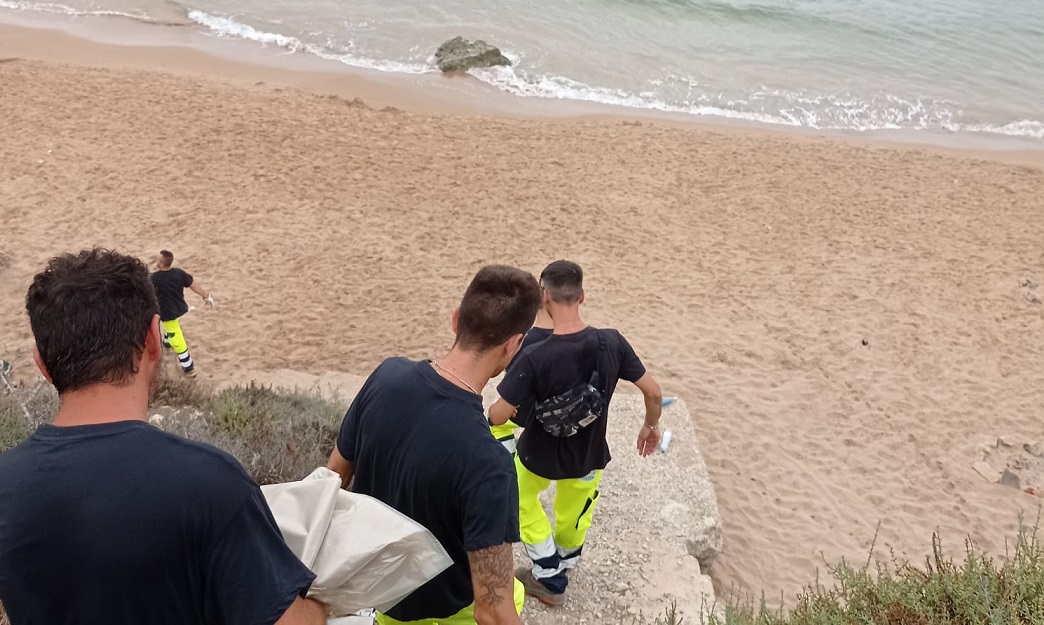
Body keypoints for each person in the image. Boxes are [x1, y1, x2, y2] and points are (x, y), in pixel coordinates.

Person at [0, 248, 325, 625]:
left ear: (42, 363)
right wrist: (322, 608)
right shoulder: (210, 486)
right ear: (154, 339)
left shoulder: (7, 484)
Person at [327, 265, 541, 625]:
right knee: (513, 595)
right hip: (445, 614)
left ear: (456, 320)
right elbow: (492, 611)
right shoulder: (489, 463)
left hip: (382, 597)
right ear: (513, 345)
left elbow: (333, 478)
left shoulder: (386, 376)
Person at [488, 260, 663, 607]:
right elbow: (654, 392)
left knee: (521, 501)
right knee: (575, 513)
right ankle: (565, 564)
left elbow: (498, 414)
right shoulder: (611, 343)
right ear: (582, 296)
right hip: (588, 455)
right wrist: (650, 426)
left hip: (537, 457)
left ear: (544, 298)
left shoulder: (534, 353)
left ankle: (549, 573)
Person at [488, 305, 553, 454]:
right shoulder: (579, 338)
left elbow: (511, 380)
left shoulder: (525, 340)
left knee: (493, 422)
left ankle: (508, 463)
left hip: (526, 412)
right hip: (562, 411)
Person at [151, 249, 212, 377]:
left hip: (167, 313)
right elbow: (193, 285)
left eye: (157, 260)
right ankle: (167, 341)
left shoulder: (155, 278)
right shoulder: (178, 273)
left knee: (178, 340)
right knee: (171, 330)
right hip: (179, 308)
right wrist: (205, 296)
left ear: (161, 264)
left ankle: (188, 367)